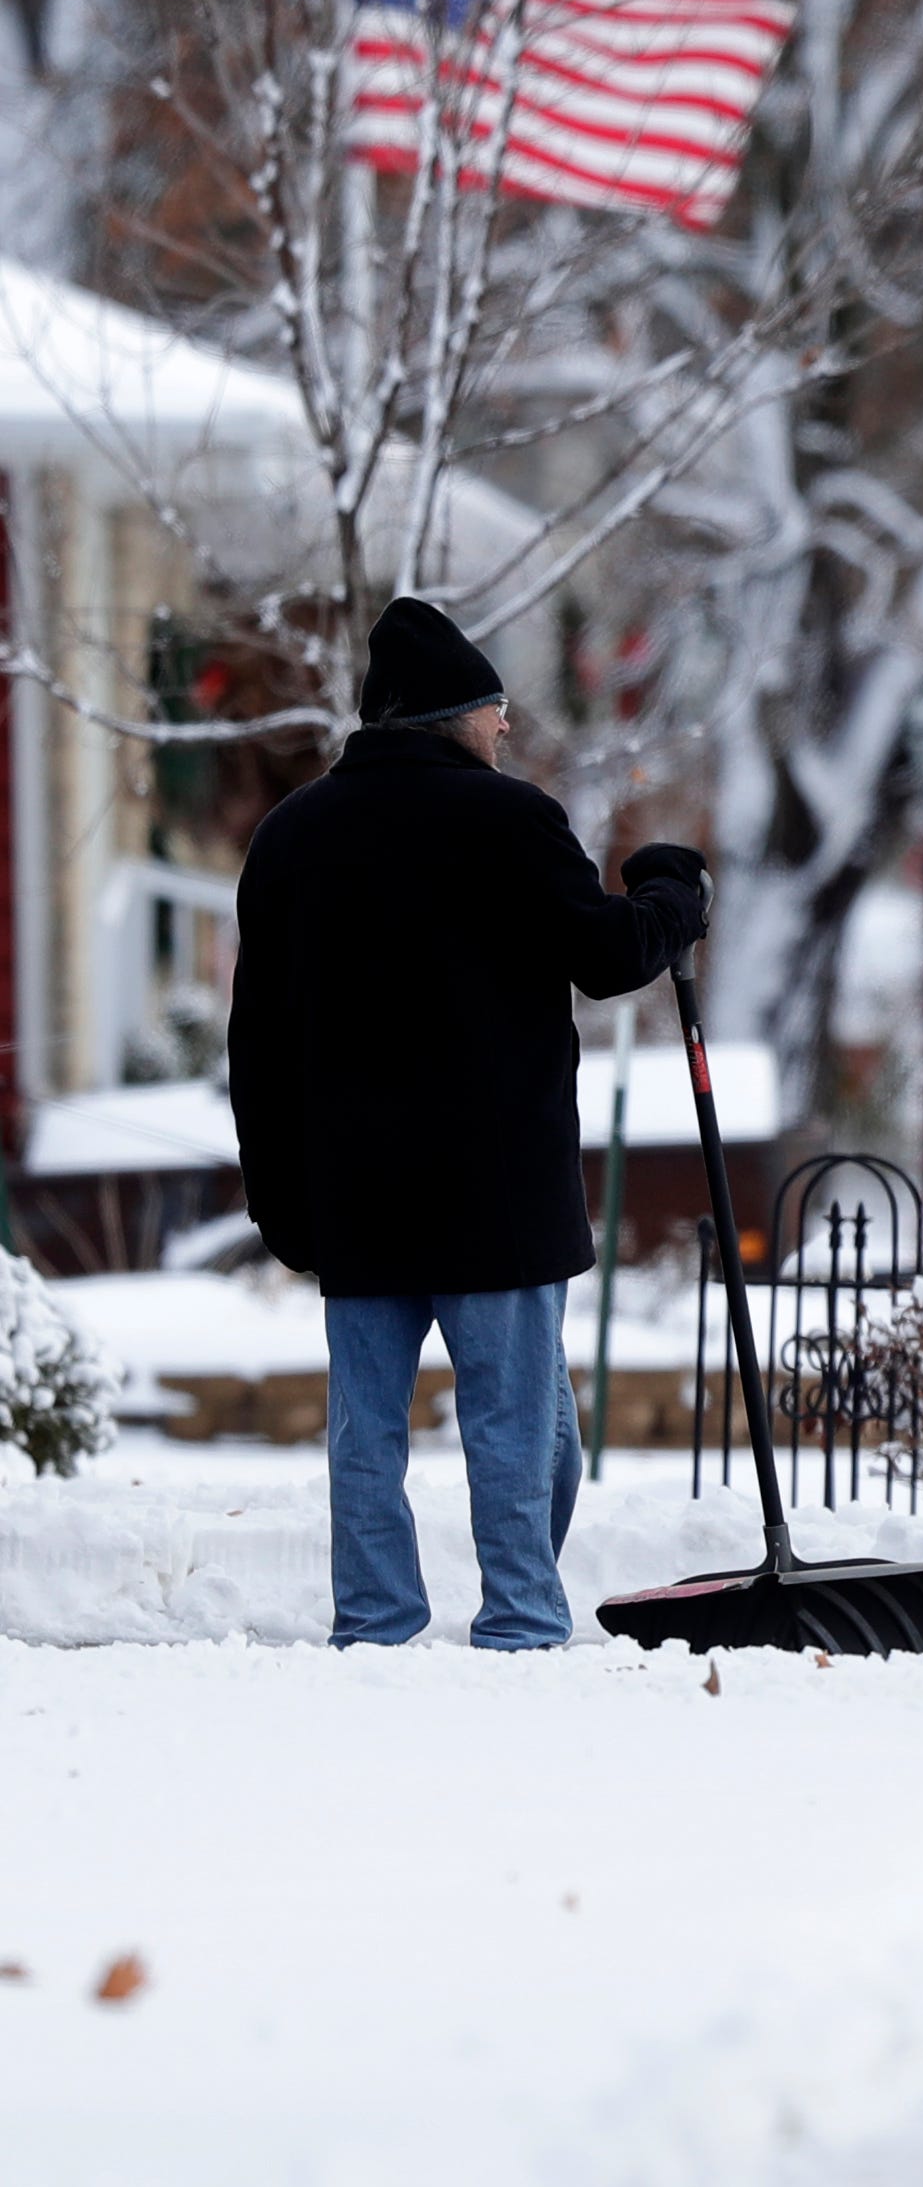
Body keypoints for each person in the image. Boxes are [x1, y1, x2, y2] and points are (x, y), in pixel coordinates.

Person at [228, 598, 711, 1649]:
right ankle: (523, 1617)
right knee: (518, 1429)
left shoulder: (290, 837)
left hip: (354, 1195)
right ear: (458, 713)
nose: (505, 729)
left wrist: (279, 1196)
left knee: (366, 1433)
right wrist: (675, 889)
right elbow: (611, 952)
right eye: (496, 711)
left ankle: (378, 1620)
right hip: (498, 1194)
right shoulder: (512, 819)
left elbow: (255, 1040)